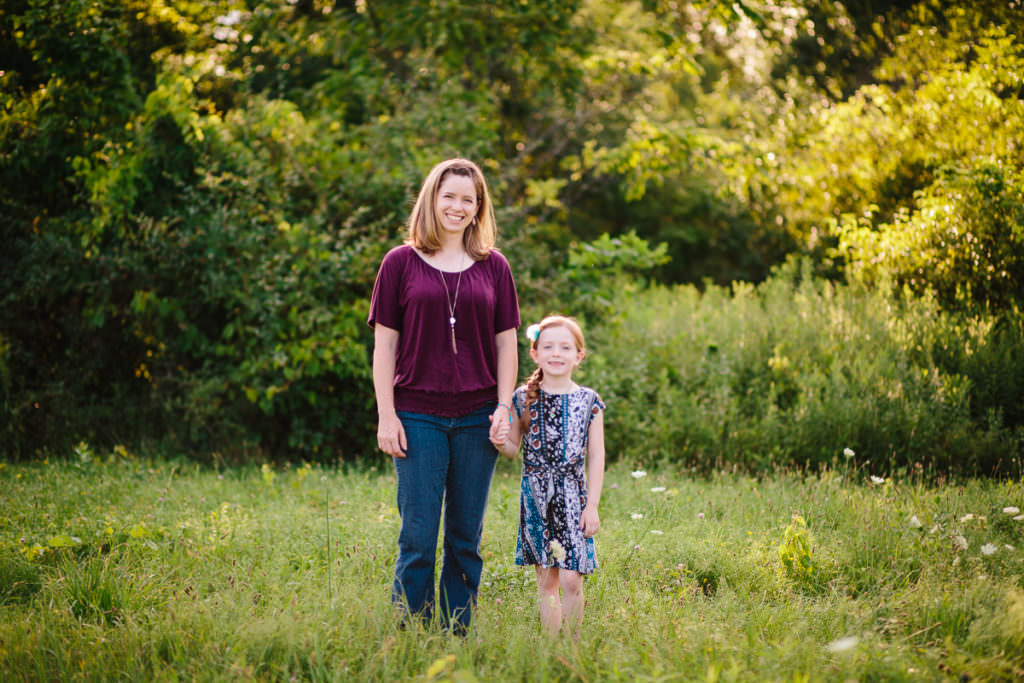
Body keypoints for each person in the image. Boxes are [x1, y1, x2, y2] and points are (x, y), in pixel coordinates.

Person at [368, 158, 519, 633]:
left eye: (467, 200)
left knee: (464, 536)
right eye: (448, 196)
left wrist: (503, 407)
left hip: (478, 416)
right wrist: (386, 416)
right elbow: (384, 345)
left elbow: (506, 344)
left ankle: (457, 632)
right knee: (417, 533)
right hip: (417, 414)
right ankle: (412, 631)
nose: (456, 207)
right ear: (432, 199)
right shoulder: (400, 262)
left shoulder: (494, 266)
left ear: (478, 209)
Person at [492, 315, 606, 637]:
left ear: (578, 356)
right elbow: (512, 449)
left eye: (565, 347)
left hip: (573, 496)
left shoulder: (589, 401)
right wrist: (500, 440)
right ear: (535, 354)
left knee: (572, 577)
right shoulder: (521, 397)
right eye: (548, 347)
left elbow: (596, 455)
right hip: (537, 495)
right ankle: (552, 646)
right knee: (548, 581)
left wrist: (592, 505)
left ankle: (572, 644)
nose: (556, 353)